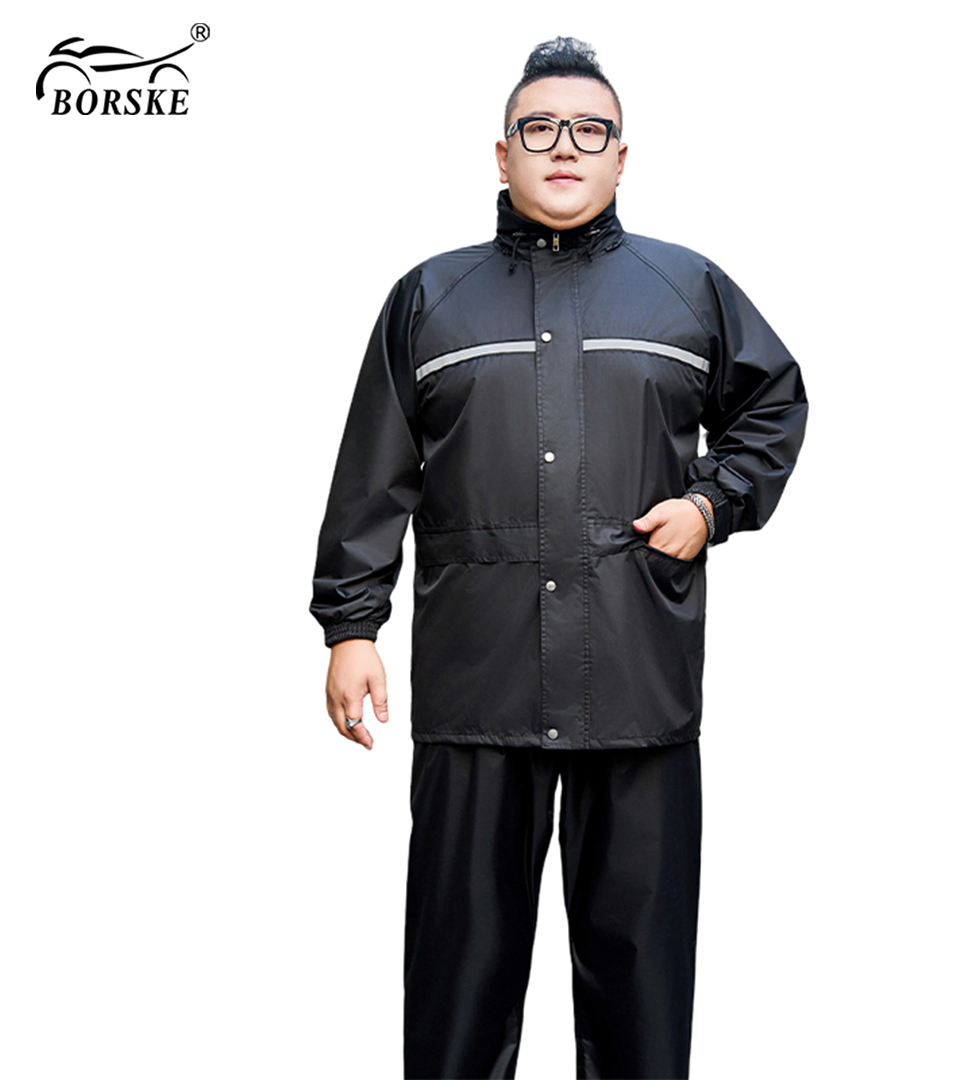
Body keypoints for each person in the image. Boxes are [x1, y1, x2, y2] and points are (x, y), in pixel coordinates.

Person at [310, 36, 808, 1080]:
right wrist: (352, 627)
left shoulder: (687, 289)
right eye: (540, 129)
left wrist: (711, 503)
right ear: (502, 154)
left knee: (640, 985)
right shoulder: (430, 298)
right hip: (477, 684)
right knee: (459, 979)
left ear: (623, 156)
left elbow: (773, 407)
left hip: (637, 678)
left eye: (590, 130)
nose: (565, 147)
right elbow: (373, 471)